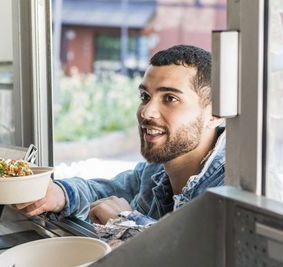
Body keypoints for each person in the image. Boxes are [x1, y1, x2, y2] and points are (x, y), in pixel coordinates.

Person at [14, 45, 225, 225]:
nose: (146, 112)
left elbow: (202, 256)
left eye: (170, 98)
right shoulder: (155, 170)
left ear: (215, 114)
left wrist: (127, 222)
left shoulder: (230, 189)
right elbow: (105, 191)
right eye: (145, 96)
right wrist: (58, 195)